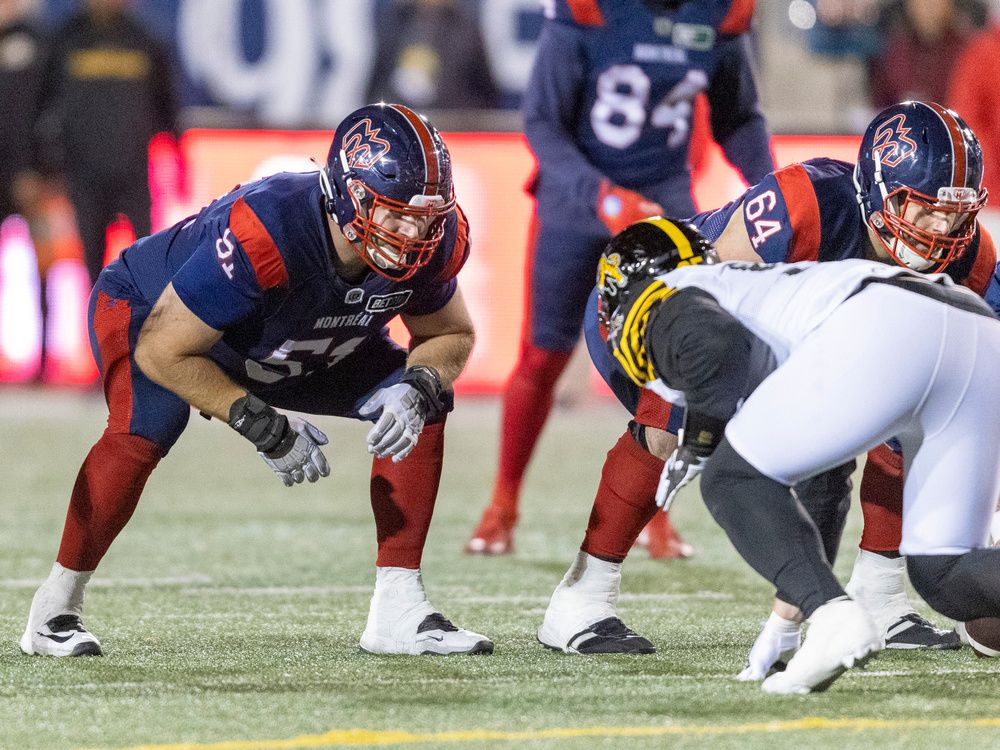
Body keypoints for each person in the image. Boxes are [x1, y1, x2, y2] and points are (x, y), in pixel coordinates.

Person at [19, 103, 493, 658]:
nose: (414, 233)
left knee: (420, 397)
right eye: (397, 214)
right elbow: (163, 351)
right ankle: (54, 610)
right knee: (148, 425)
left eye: (427, 217)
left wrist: (419, 385)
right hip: (162, 317)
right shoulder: (267, 231)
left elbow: (450, 333)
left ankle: (399, 608)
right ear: (348, 196)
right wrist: (260, 423)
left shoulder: (434, 242)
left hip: (295, 336)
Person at [537, 101, 997, 656]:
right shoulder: (804, 205)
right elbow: (709, 311)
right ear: (877, 192)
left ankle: (878, 594)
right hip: (669, 312)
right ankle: (581, 599)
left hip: (809, 342)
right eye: (921, 209)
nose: (941, 229)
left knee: (922, 402)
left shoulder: (972, 258)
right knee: (674, 422)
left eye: (957, 213)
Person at [599, 219, 1000, 694]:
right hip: (976, 329)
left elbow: (715, 344)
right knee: (945, 572)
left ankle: (837, 619)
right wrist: (786, 628)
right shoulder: (755, 293)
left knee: (731, 479)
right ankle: (830, 618)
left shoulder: (676, 290)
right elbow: (824, 488)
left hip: (890, 323)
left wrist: (700, 441)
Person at [466, 0, 775, 559]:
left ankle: (656, 514)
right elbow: (541, 120)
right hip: (575, 201)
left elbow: (738, 118)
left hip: (663, 201)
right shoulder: (586, 9)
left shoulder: (721, 13)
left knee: (671, 364)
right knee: (542, 355)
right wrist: (602, 196)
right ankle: (502, 504)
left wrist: (774, 187)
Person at [29, 0, 182, 286]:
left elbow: (167, 106)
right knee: (93, 267)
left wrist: (179, 160)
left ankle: (147, 326)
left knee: (148, 263)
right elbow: (40, 105)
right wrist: (41, 164)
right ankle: (99, 327)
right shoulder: (65, 39)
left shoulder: (146, 37)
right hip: (84, 174)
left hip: (133, 173)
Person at [366, 0, 499, 110]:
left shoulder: (467, 28)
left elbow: (486, 93)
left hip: (454, 125)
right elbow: (376, 84)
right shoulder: (394, 23)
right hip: (402, 125)